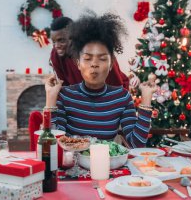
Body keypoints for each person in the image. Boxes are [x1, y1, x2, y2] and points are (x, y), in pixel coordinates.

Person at [45, 12, 157, 148]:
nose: (94, 64)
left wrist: (146, 99)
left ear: (111, 65)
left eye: (102, 58)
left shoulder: (122, 98)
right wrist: (51, 98)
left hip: (107, 166)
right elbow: (51, 144)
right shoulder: (65, 96)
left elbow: (136, 144)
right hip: (73, 166)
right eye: (87, 58)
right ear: (78, 63)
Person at [49, 16, 130, 90]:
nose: (56, 46)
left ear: (73, 36)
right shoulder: (55, 55)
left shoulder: (98, 51)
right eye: (54, 42)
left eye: (61, 40)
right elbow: (64, 87)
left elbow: (116, 86)